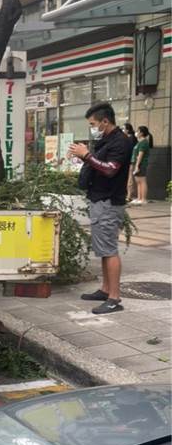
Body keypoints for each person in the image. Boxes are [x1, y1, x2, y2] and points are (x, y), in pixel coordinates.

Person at [68, 102, 132, 315]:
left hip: (109, 202)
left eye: (93, 124)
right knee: (104, 249)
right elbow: (98, 164)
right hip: (99, 199)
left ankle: (114, 298)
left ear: (105, 121)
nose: (92, 128)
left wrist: (86, 155)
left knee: (109, 250)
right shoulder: (106, 140)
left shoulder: (120, 142)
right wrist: (83, 155)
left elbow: (110, 169)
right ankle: (105, 290)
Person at [130, 126, 153, 205]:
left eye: (138, 131)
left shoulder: (144, 142)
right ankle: (139, 198)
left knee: (142, 181)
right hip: (136, 163)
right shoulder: (139, 142)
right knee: (138, 181)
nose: (136, 132)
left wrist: (137, 166)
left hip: (141, 164)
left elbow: (140, 155)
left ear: (141, 133)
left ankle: (143, 199)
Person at [123, 123, 137, 201]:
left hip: (130, 161)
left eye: (123, 128)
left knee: (130, 178)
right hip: (128, 160)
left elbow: (129, 150)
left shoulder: (131, 138)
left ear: (127, 130)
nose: (122, 130)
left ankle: (129, 196)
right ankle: (128, 195)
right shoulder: (128, 138)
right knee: (128, 178)